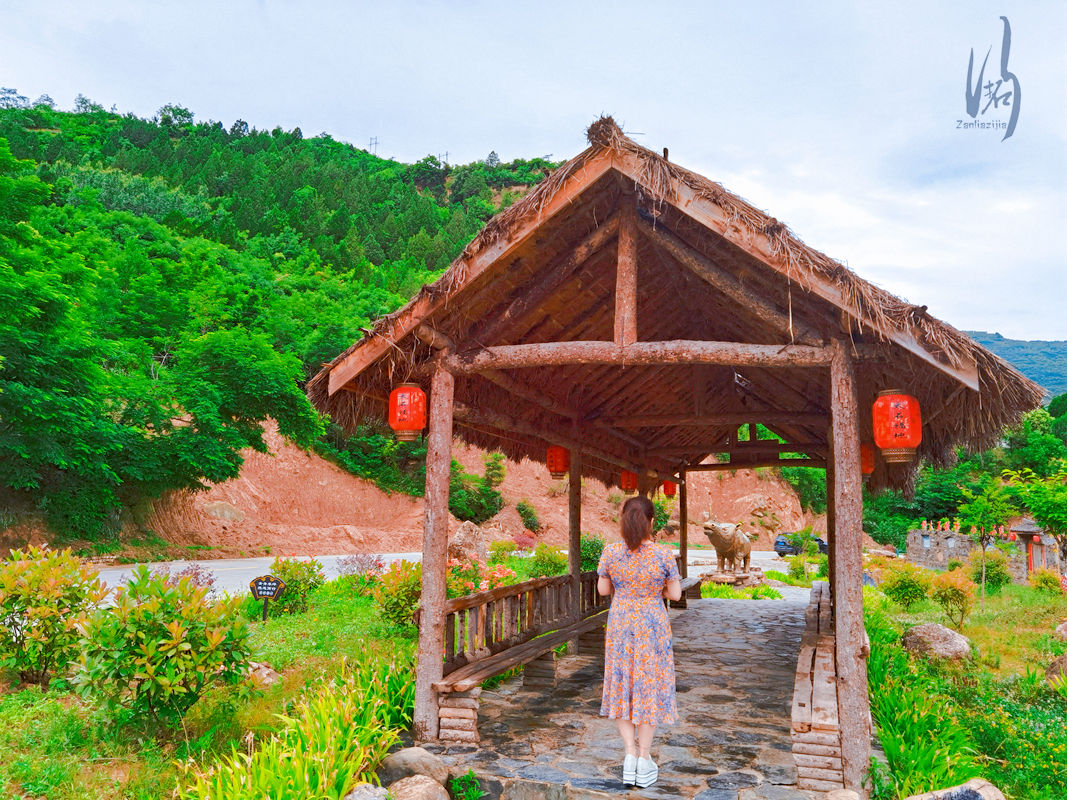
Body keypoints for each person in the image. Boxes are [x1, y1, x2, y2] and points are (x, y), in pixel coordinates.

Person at [596, 495, 682, 788]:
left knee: (622, 685)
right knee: (649, 688)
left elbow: (604, 589)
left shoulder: (610, 552)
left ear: (623, 520)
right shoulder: (663, 555)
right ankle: (644, 759)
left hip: (621, 626)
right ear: (651, 522)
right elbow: (676, 595)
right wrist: (655, 590)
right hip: (652, 627)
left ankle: (629, 754)